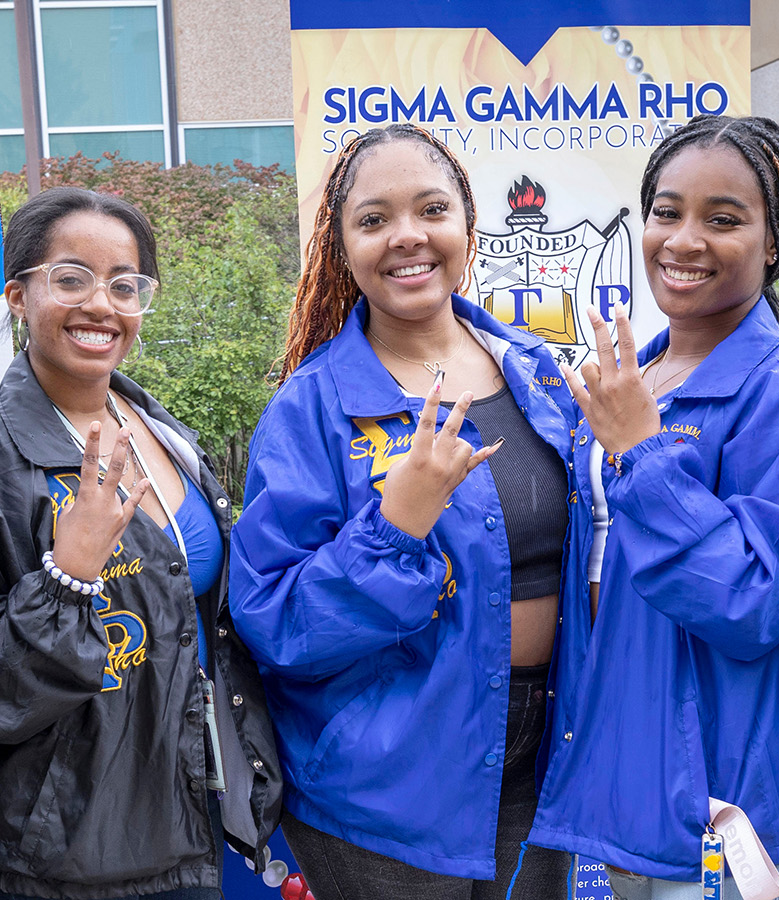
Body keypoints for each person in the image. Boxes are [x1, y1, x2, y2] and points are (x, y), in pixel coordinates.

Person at [228, 122, 579, 898]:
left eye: (431, 209)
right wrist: (397, 528)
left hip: (539, 761)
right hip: (385, 790)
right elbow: (273, 621)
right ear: (342, 245)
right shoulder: (310, 409)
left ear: (466, 225)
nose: (407, 237)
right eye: (374, 219)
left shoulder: (537, 372)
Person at [0, 187, 284, 900]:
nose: (101, 305)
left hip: (190, 806)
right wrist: (69, 574)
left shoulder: (158, 429)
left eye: (125, 284)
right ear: (19, 295)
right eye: (71, 277)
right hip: (71, 851)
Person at [528, 114, 779, 900]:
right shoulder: (638, 376)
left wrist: (642, 455)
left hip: (738, 798)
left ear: (775, 242)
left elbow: (752, 607)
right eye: (667, 211)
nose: (683, 239)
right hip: (626, 784)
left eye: (724, 219)